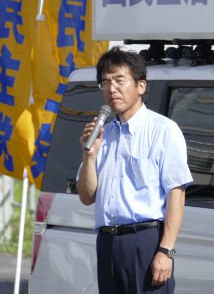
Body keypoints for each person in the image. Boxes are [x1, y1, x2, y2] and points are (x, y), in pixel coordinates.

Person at [77, 46, 193, 294]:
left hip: (145, 240)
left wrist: (166, 250)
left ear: (141, 86)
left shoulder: (163, 130)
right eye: (105, 83)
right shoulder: (103, 135)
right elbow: (87, 196)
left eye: (119, 80)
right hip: (107, 241)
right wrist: (90, 155)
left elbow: (176, 193)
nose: (111, 88)